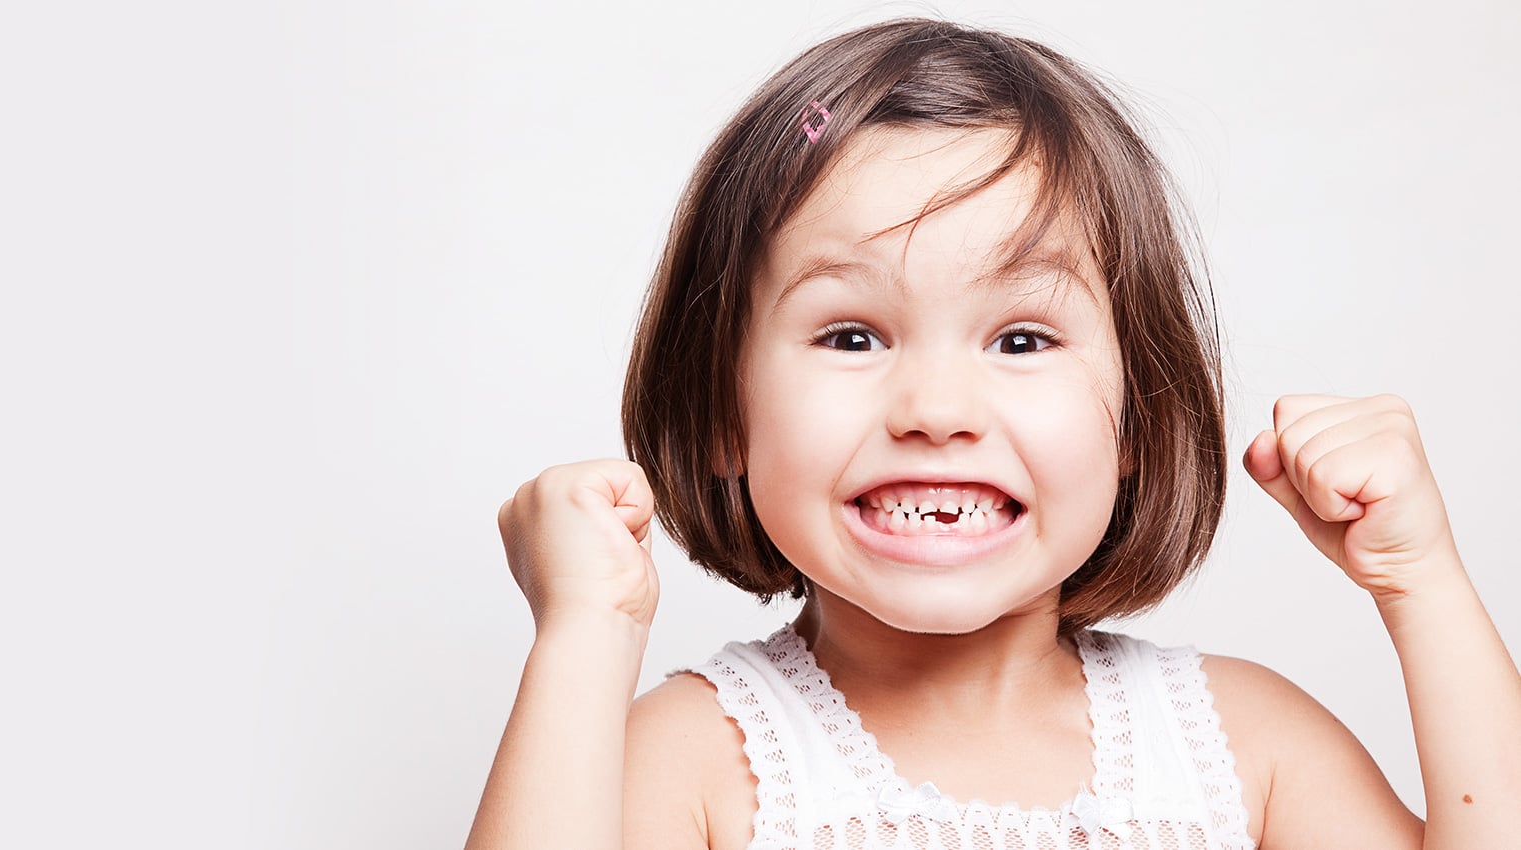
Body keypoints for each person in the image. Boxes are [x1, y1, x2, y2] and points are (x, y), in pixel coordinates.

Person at [465, 18, 1520, 850]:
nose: (936, 409)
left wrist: (1420, 584)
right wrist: (584, 634)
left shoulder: (1247, 750)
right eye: (850, 335)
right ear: (718, 415)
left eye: (1020, 339)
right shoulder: (696, 764)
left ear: (1137, 418)